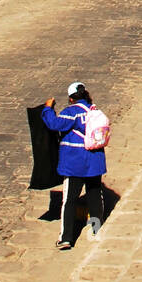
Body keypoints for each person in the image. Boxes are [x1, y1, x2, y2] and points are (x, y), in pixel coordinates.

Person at [41, 82, 108, 250]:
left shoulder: (71, 112)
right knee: (94, 196)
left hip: (75, 162)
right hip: (94, 161)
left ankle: (66, 238)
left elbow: (54, 124)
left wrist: (48, 108)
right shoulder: (95, 111)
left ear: (71, 99)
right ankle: (95, 228)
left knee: (69, 200)